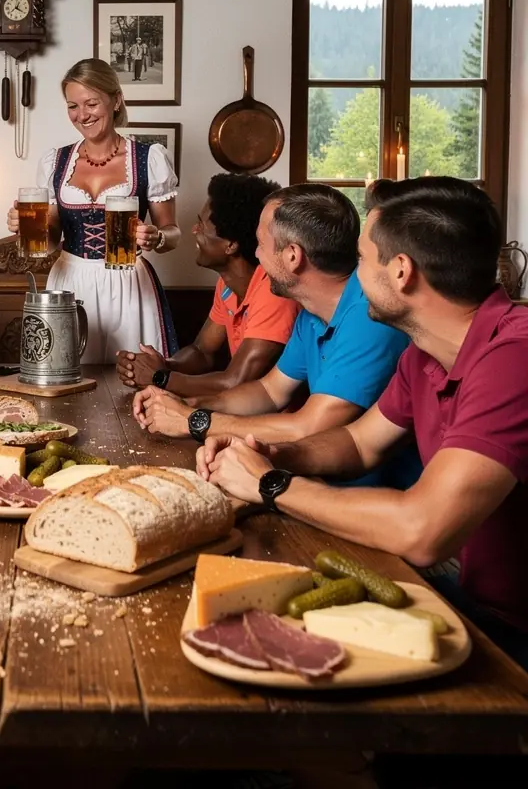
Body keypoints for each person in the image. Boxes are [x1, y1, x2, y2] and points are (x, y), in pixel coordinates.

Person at [196, 178, 528, 666]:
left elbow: (422, 529)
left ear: (401, 272)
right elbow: (359, 443)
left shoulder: (513, 356)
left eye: (361, 258)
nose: (351, 273)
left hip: (510, 632)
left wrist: (271, 484)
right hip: (467, 599)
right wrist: (269, 454)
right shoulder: (426, 352)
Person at [133, 183, 417, 488]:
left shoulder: (368, 318)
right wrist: (186, 402)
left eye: (260, 244)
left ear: (293, 256)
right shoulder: (311, 312)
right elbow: (269, 391)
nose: (255, 255)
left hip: (372, 501)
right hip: (320, 485)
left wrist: (191, 421)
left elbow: (306, 427)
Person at [7, 58, 181, 363]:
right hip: (69, 282)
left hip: (127, 283)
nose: (82, 115)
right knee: (66, 381)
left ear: (116, 100)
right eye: (72, 106)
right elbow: (49, 241)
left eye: (91, 103)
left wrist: (158, 238)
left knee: (131, 383)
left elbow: (173, 233)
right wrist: (26, 229)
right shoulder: (55, 161)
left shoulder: (149, 158)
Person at [116, 173, 299, 395]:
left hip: (278, 423)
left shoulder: (273, 293)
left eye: (201, 225)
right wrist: (163, 365)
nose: (194, 230)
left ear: (230, 245)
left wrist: (159, 377)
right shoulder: (228, 285)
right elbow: (202, 351)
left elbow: (235, 381)